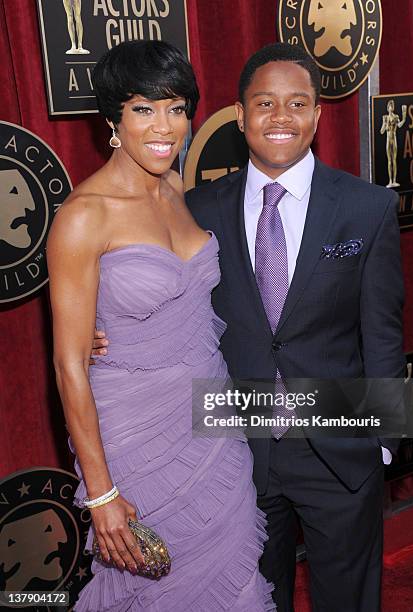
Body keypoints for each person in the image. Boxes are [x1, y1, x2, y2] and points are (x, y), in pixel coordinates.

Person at [93, 43, 405, 611]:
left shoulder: (368, 208)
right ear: (240, 115)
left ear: (317, 114)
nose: (280, 117)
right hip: (235, 449)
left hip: (340, 448)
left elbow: (383, 334)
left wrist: (382, 444)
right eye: (264, 103)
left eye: (296, 103)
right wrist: (108, 333)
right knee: (255, 599)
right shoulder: (198, 207)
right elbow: (166, 292)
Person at [47, 40, 275, 612]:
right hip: (135, 436)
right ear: (113, 120)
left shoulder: (176, 190)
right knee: (154, 590)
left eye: (175, 107)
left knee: (234, 576)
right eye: (143, 108)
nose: (164, 126)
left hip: (210, 421)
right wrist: (100, 493)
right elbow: (69, 363)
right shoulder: (83, 216)